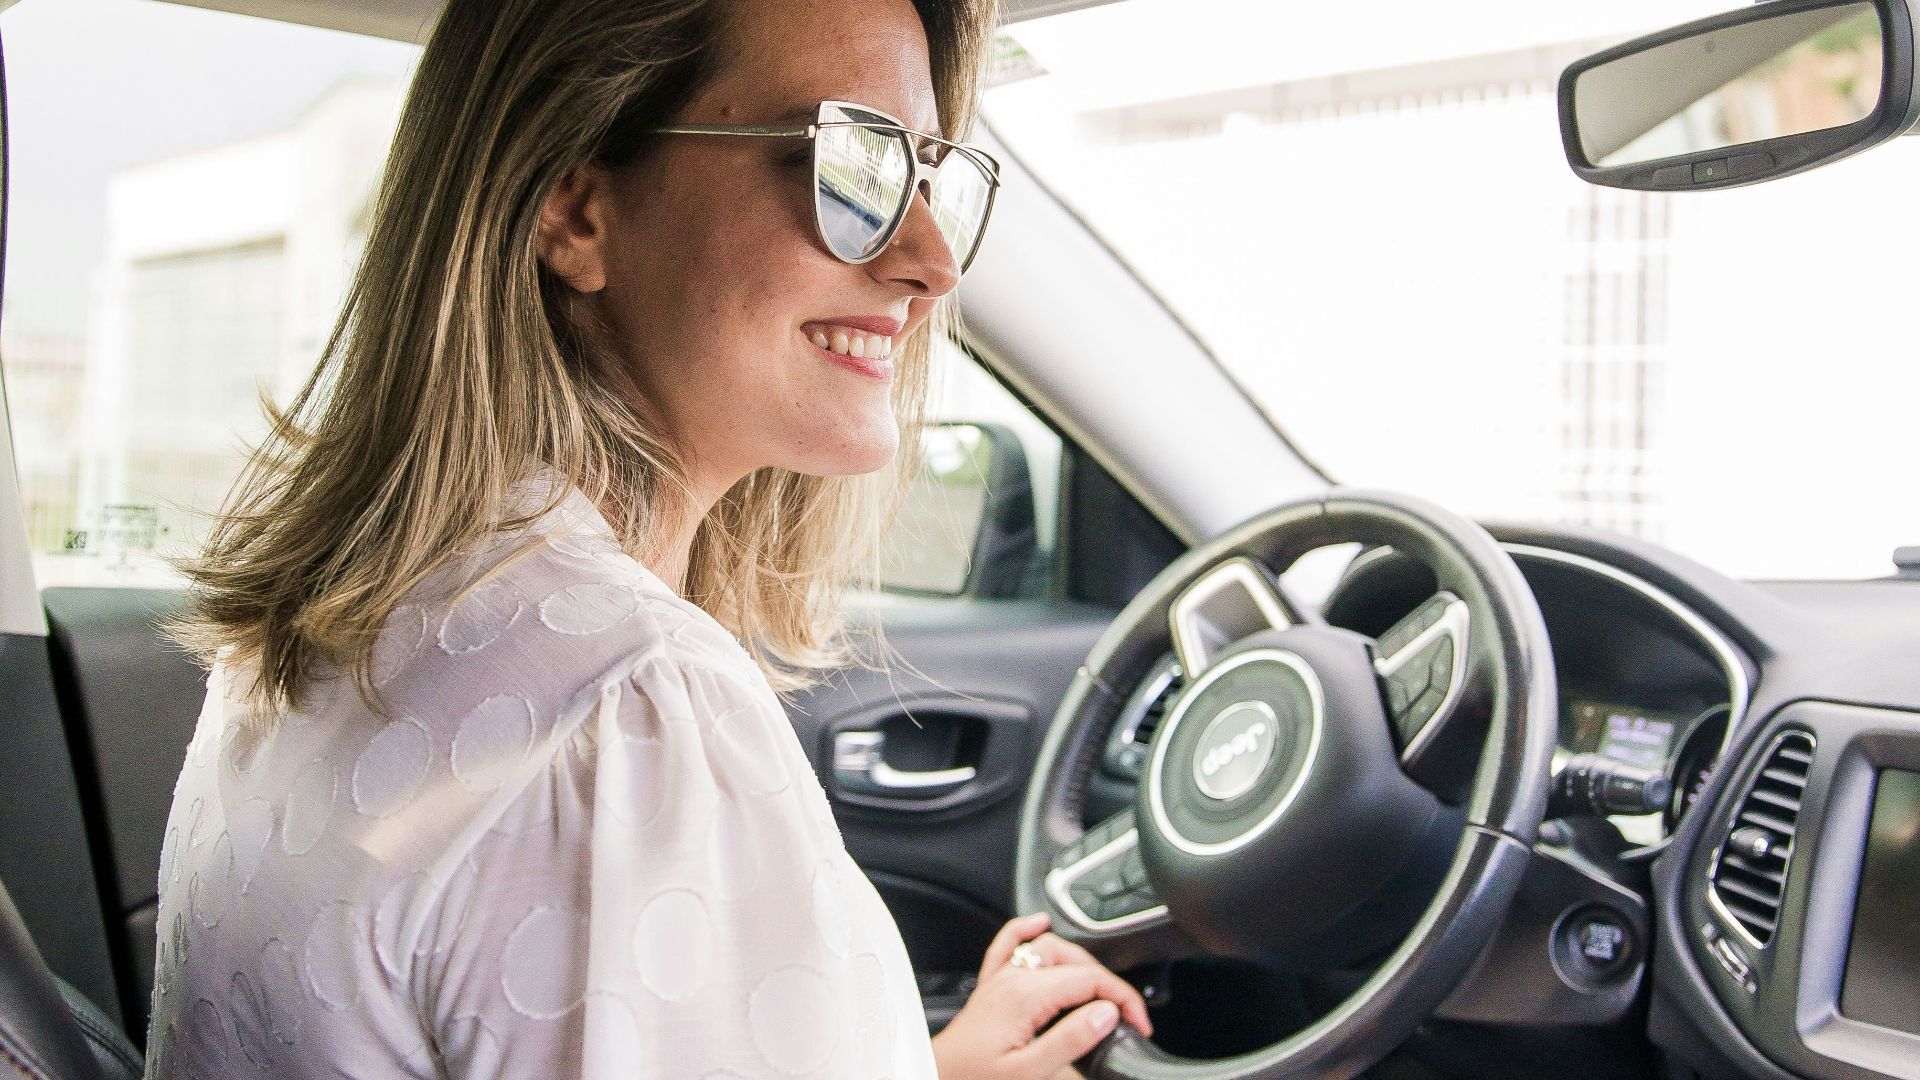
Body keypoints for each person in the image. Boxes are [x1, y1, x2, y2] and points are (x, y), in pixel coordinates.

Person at [145, 0, 1153, 1076]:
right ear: (576, 208)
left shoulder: (338, 628)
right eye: (852, 166)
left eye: (924, 173)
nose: (929, 259)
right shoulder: (624, 716)